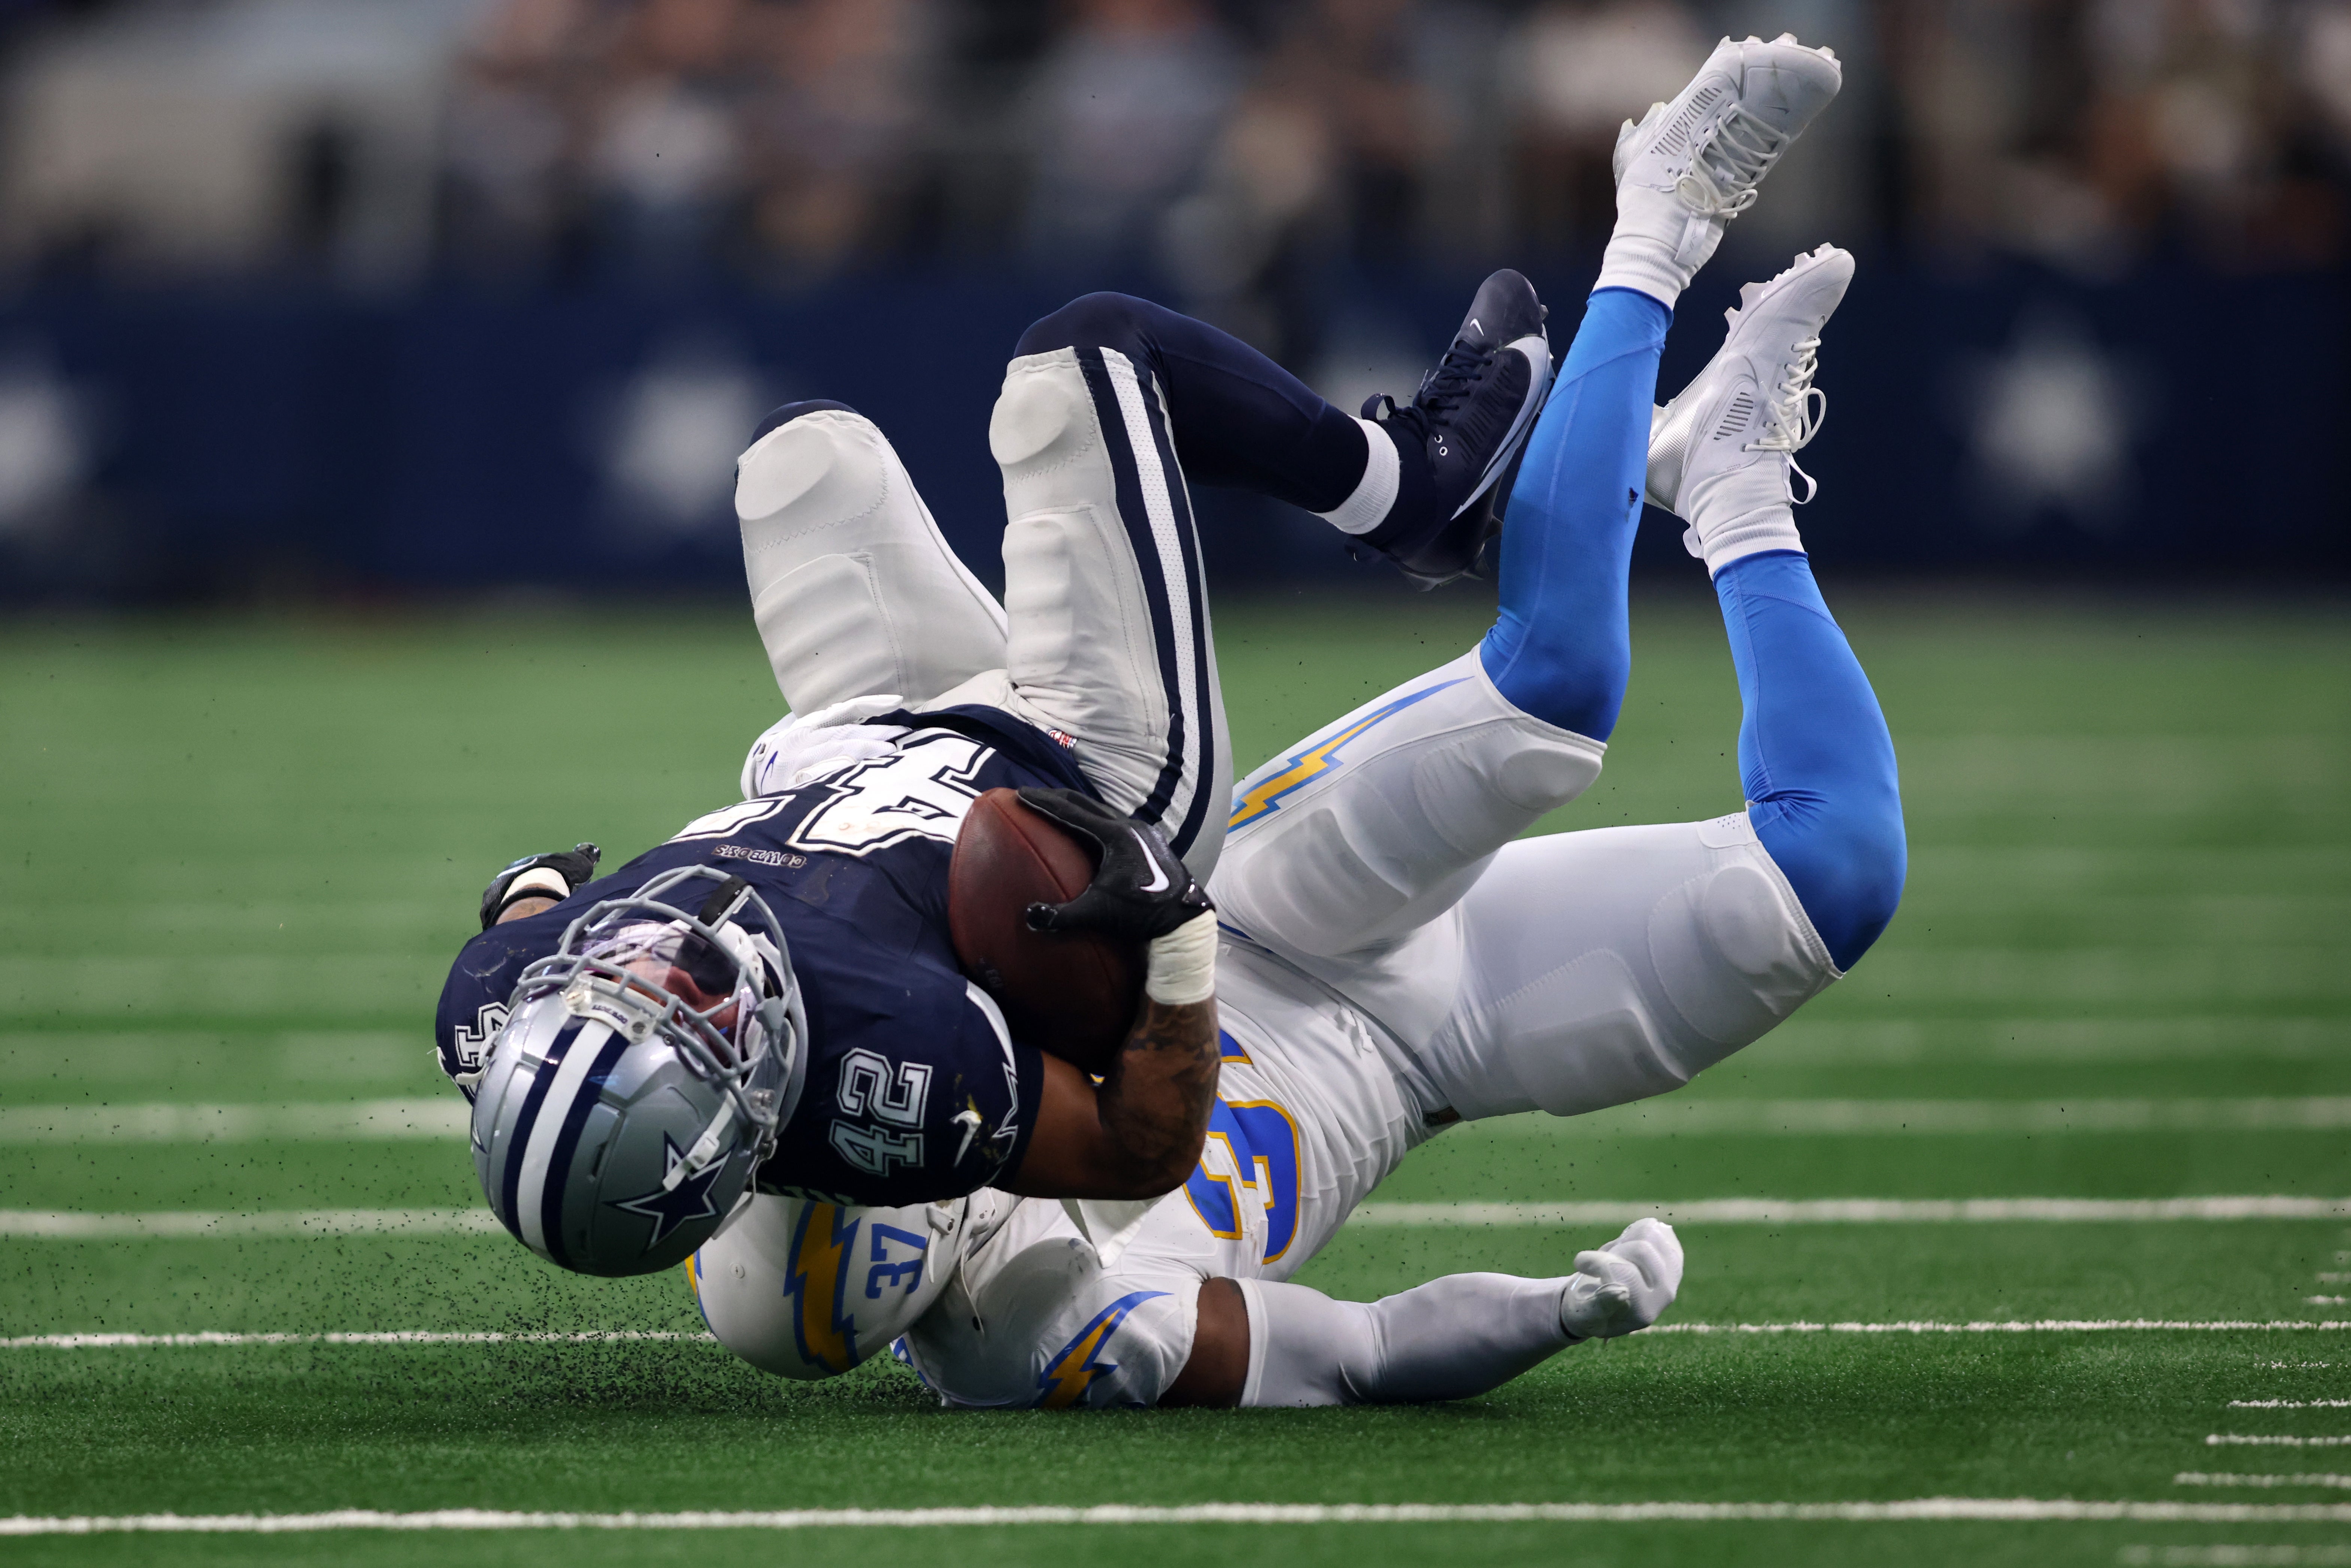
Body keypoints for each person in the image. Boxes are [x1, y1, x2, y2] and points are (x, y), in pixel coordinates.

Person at [685, 35, 1899, 1407]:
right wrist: (1558, 1312)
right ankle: (1734, 487)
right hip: (1427, 1053)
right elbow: (1359, 1350)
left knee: (1554, 690)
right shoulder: (1040, 1336)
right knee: (1836, 874)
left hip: (1255, 919)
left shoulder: (897, 1024)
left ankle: (1658, 218)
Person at [435, 189, 1557, 1274]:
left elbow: (519, 930)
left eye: (616, 984)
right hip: (1078, 783)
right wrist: (1176, 946)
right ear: (746, 1111)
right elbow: (1139, 1150)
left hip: (853, 744)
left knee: (797, 462)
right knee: (1084, 359)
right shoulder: (894, 1060)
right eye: (685, 1013)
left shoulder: (496, 1004)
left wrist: (533, 891)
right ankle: (1417, 492)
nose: (657, 960)